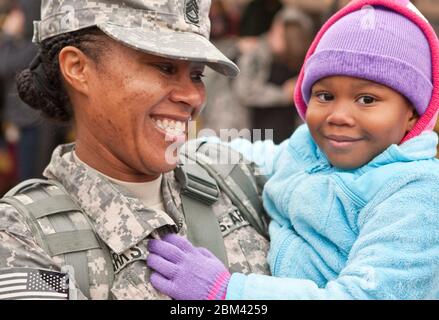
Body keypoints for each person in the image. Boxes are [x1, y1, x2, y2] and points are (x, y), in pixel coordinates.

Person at [147, 0, 439, 299]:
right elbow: (265, 157)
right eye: (324, 95)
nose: (338, 115)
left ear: (412, 114)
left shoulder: (414, 193)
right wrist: (196, 148)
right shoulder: (310, 151)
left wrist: (227, 292)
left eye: (366, 100)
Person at [0, 0, 271, 300]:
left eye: (197, 74)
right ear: (78, 68)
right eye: (164, 67)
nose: (192, 96)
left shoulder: (233, 178)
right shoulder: (20, 239)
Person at [233, 7, 314, 143]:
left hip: (290, 133)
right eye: (276, 29)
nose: (275, 33)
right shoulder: (258, 53)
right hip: (257, 131)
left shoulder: (303, 60)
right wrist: (283, 94)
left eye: (283, 32)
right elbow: (244, 92)